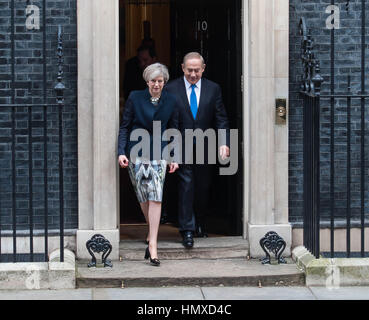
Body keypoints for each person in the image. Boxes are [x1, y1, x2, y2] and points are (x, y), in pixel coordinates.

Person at [164, 52, 230, 248]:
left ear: (203, 68)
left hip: (205, 145)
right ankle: (187, 231)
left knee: (202, 187)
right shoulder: (171, 89)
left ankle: (200, 222)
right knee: (186, 187)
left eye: (197, 70)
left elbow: (221, 118)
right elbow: (168, 121)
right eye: (189, 70)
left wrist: (224, 142)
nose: (193, 74)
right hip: (181, 145)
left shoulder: (213, 89)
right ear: (183, 68)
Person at [118, 63, 179, 266]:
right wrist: (121, 152)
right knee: (143, 197)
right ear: (147, 82)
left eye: (160, 81)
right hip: (136, 151)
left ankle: (153, 244)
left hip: (159, 152)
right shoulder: (135, 97)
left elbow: (174, 129)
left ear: (164, 82)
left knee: (155, 196)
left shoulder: (171, 100)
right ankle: (150, 232)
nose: (156, 84)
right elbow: (125, 126)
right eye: (153, 81)